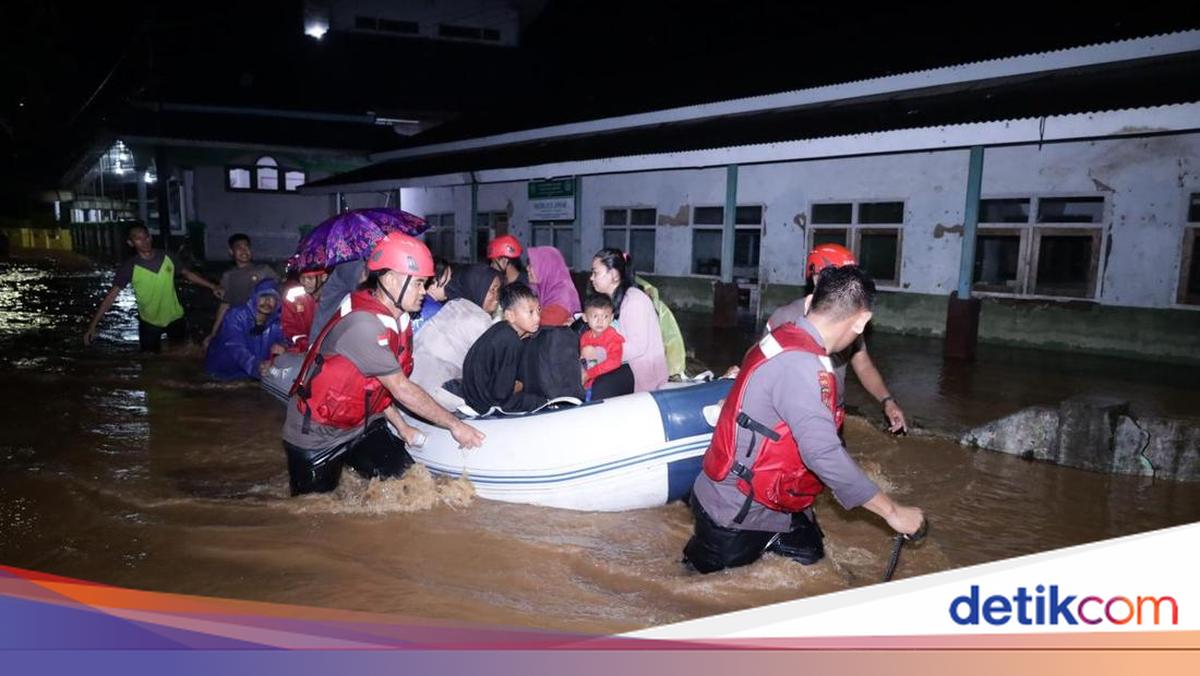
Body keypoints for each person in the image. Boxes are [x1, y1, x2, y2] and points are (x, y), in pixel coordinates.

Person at [683, 266, 924, 574]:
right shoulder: (803, 366)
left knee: (814, 565)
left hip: (778, 505)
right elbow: (823, 453)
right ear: (862, 320)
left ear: (810, 302)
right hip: (734, 513)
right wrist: (893, 512)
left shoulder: (785, 333)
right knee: (699, 590)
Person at [283, 233, 485, 495]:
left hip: (363, 424)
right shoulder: (363, 325)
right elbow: (400, 387)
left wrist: (402, 428)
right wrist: (455, 425)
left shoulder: (399, 319)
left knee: (411, 488)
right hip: (317, 434)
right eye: (418, 283)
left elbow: (377, 384)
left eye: (425, 283)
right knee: (314, 508)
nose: (424, 292)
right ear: (390, 280)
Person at [766, 243, 908, 433]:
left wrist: (887, 401)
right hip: (795, 417)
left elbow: (863, 365)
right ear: (817, 278)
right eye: (842, 278)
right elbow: (762, 366)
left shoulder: (851, 318)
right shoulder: (786, 317)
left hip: (834, 414)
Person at [83, 223, 223, 352]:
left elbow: (187, 274)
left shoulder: (168, 257)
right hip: (149, 322)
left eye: (146, 237)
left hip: (175, 317)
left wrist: (213, 286)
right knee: (150, 361)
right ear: (131, 243)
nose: (144, 241)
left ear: (150, 237)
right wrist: (92, 326)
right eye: (138, 239)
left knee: (181, 354)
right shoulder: (129, 267)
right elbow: (111, 296)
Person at [410, 264, 502, 410]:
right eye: (492, 290)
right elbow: (493, 369)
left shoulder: (453, 305)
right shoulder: (478, 318)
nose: (496, 296)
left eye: (498, 290)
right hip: (437, 396)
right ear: (478, 287)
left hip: (413, 387)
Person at [588, 248, 667, 397]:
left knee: (602, 386)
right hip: (625, 362)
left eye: (595, 273)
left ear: (614, 275)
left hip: (640, 369)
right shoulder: (609, 301)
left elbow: (636, 348)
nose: (592, 278)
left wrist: (598, 354)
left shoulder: (634, 301)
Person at [460, 282, 546, 414]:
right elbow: (501, 394)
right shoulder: (511, 341)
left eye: (538, 310)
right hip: (485, 403)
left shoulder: (501, 329)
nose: (537, 317)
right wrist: (520, 386)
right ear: (510, 315)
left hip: (473, 395)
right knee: (540, 402)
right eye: (530, 312)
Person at [204, 233, 278, 349]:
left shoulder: (264, 270)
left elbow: (279, 296)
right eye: (239, 247)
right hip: (239, 326)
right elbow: (225, 305)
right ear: (231, 252)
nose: (244, 250)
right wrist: (213, 333)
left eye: (246, 247)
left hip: (263, 326)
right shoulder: (228, 276)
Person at [203, 279, 285, 380]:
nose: (267, 301)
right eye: (263, 296)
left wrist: (283, 348)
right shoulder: (236, 315)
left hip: (255, 374)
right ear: (254, 298)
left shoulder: (278, 322)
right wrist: (256, 366)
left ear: (278, 302)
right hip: (222, 374)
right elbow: (235, 346)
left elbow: (287, 342)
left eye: (272, 298)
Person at [579, 294, 624, 401]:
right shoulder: (585, 337)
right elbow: (586, 361)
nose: (600, 321)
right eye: (595, 316)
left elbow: (615, 361)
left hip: (607, 377)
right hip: (589, 378)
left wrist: (589, 374)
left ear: (611, 318)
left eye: (605, 317)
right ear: (585, 317)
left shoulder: (613, 337)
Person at [526, 246, 580, 327]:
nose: (527, 268)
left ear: (546, 268)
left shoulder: (561, 299)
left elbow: (539, 328)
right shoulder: (543, 289)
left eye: (531, 265)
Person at [280, 270, 326, 353]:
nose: (305, 282)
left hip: (328, 348)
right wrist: (306, 344)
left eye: (310, 278)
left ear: (323, 277)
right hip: (302, 350)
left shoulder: (334, 296)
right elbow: (288, 327)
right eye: (302, 278)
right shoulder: (293, 296)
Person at [412, 257, 451, 335]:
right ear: (433, 282)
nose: (451, 286)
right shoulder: (439, 312)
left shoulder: (410, 303)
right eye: (448, 281)